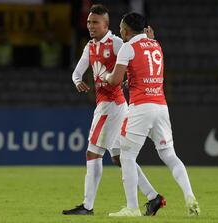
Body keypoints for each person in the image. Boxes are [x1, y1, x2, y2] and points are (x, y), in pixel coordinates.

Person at [62, 5, 164, 216]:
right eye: (89, 22)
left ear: (106, 25)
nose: (91, 26)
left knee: (93, 153)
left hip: (111, 105)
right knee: (119, 158)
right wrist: (78, 81)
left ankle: (87, 206)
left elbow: (136, 57)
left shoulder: (117, 43)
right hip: (112, 106)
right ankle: (153, 197)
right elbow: (77, 72)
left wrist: (128, 79)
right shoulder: (90, 47)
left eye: (95, 22)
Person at [106, 12, 200, 217]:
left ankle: (132, 208)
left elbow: (114, 80)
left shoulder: (127, 47)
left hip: (140, 107)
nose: (120, 30)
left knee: (127, 156)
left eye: (121, 27)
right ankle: (190, 195)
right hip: (160, 106)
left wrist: (107, 75)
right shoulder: (155, 45)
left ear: (127, 29)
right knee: (169, 155)